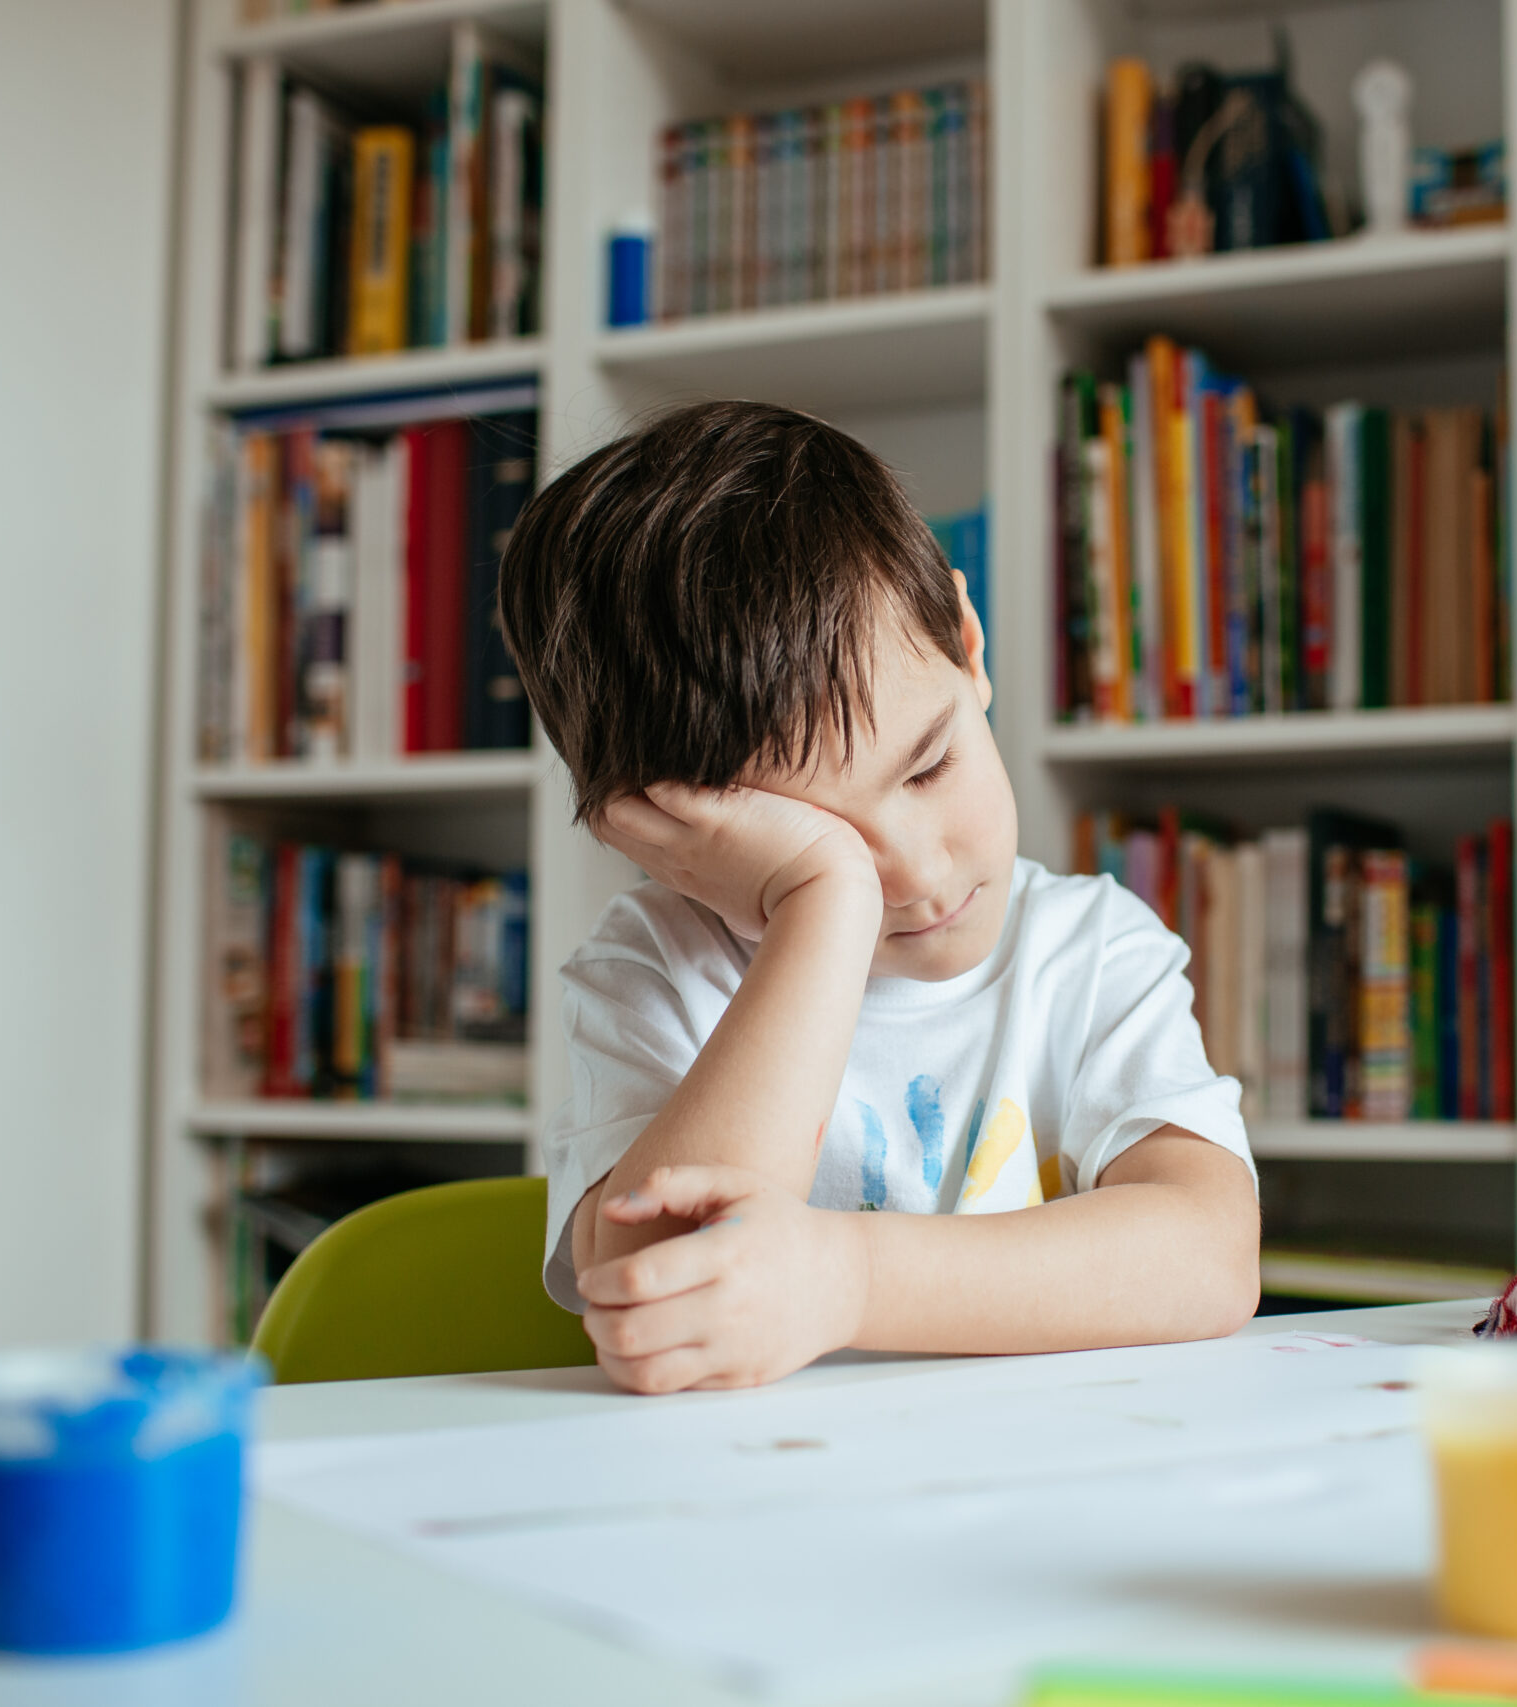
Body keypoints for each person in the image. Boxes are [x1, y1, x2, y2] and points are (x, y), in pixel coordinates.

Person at [498, 400, 1258, 1394]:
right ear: (667, 845)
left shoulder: (1091, 952)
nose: (910, 871)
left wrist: (850, 1280)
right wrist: (822, 906)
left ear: (969, 647)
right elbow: (661, 1277)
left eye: (928, 768)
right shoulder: (655, 970)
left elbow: (1207, 1255)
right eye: (823, 841)